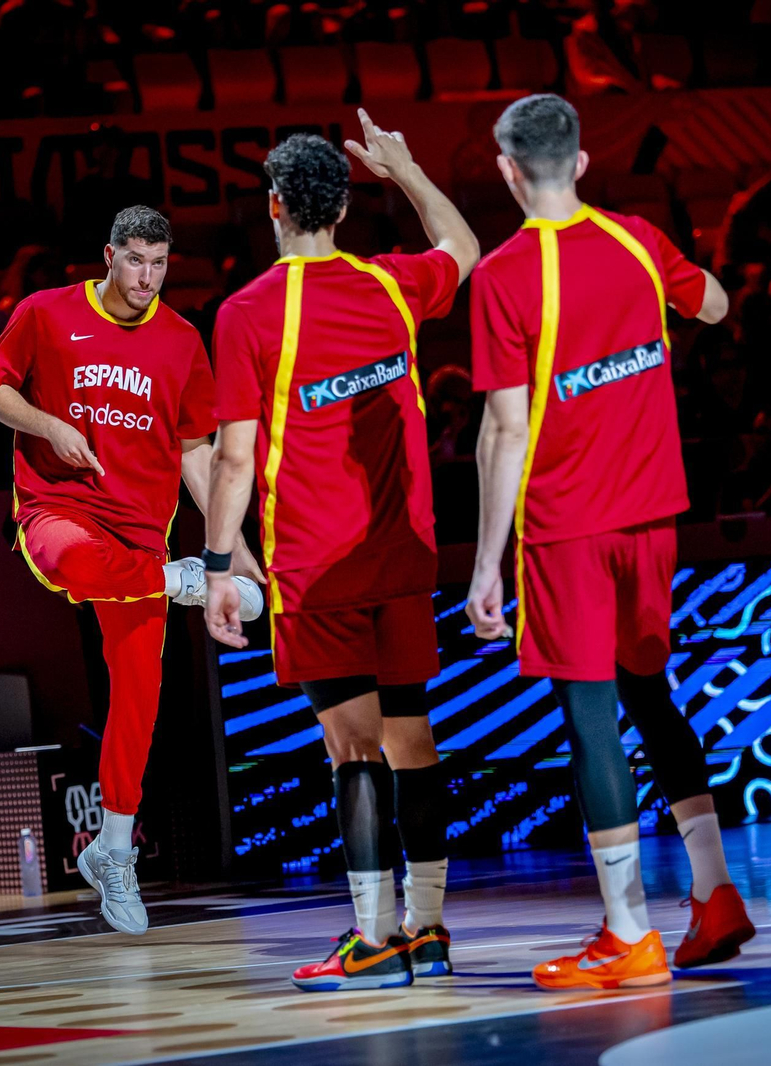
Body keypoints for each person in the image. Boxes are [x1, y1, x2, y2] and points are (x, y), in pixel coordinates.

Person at [463, 93, 755, 992]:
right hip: (653, 515)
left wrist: (485, 564)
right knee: (650, 691)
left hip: (569, 525)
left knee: (592, 717)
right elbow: (713, 304)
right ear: (582, 163)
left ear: (508, 170)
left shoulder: (504, 277)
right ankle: (712, 894)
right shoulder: (636, 241)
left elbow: (506, 431)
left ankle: (628, 931)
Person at [204, 120, 478, 993]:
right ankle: (427, 929)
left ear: (274, 205)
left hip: (318, 572)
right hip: (403, 560)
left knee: (353, 750)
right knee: (414, 742)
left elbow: (236, 456)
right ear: (348, 204)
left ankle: (370, 939)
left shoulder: (246, 313)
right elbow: (463, 245)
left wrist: (218, 564)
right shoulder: (394, 287)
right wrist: (409, 167)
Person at [0, 205, 264, 935]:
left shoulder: (181, 340)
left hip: (142, 541)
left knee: (139, 697)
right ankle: (181, 580)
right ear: (108, 255)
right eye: (134, 260)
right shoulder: (46, 313)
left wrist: (235, 565)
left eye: (159, 263)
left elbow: (200, 459)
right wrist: (50, 425)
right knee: (72, 560)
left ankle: (112, 850)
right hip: (57, 510)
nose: (146, 277)